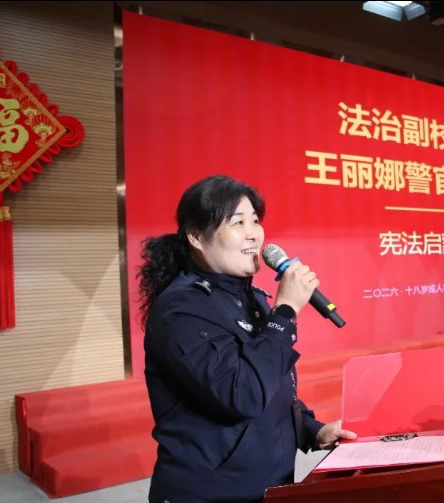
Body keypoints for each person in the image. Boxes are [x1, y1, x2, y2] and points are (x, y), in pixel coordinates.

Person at [138, 175, 356, 503]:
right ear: (196, 237)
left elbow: (270, 386)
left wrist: (313, 431)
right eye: (238, 222)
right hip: (210, 492)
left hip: (268, 486)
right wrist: (285, 312)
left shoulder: (251, 297)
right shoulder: (183, 309)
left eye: (255, 220)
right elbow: (243, 395)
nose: (253, 232)